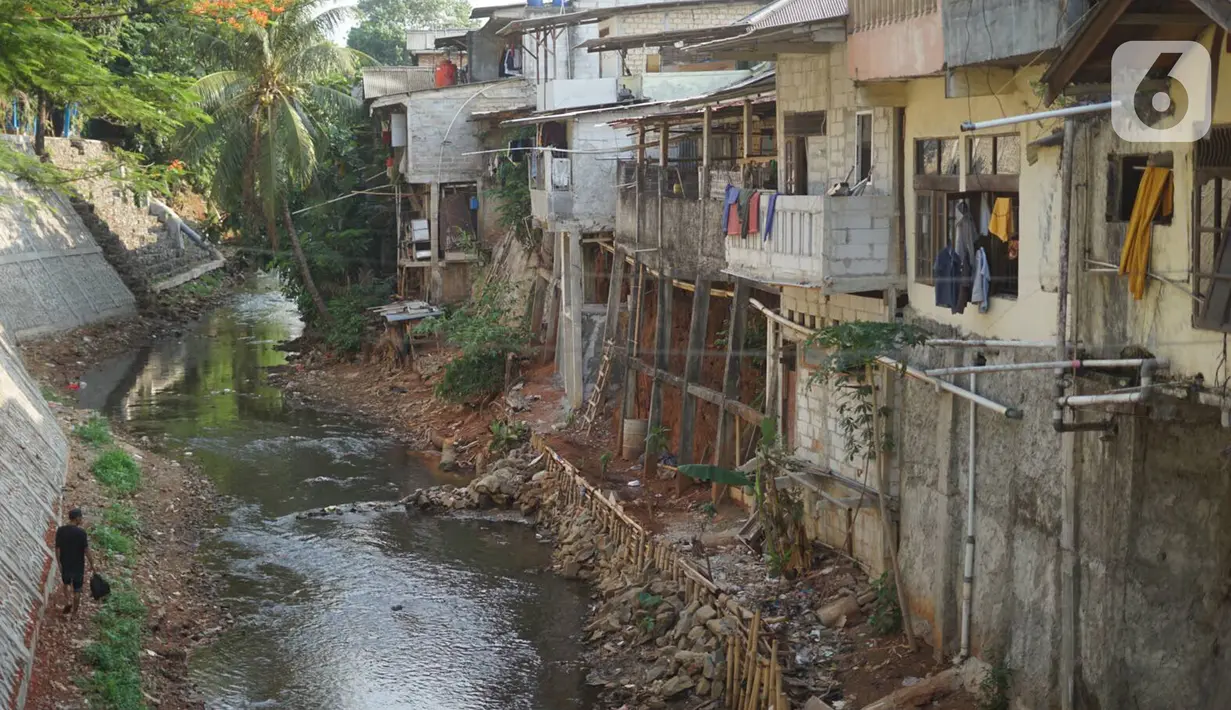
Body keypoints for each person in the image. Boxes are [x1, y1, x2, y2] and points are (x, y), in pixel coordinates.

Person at [54, 508, 93, 618]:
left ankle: (67, 601)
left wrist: (59, 562)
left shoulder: (61, 530)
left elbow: (57, 548)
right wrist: (92, 564)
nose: (82, 519)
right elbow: (86, 550)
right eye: (81, 517)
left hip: (65, 562)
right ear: (77, 518)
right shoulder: (81, 533)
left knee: (66, 584)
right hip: (78, 565)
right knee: (77, 589)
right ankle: (74, 613)